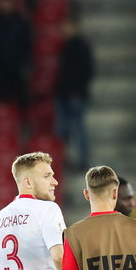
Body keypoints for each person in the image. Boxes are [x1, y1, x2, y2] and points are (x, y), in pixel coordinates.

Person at [55, 17, 94, 169]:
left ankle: (83, 161)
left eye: (68, 26)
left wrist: (78, 91)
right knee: (62, 130)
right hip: (63, 94)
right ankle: (64, 160)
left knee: (78, 129)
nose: (65, 30)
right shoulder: (65, 46)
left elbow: (87, 71)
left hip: (76, 95)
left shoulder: (81, 46)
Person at [0, 0, 32, 105]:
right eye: (3, 1)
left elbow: (26, 45)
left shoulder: (21, 22)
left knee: (20, 98)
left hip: (17, 65)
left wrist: (26, 64)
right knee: (1, 99)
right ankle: (2, 122)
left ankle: (21, 121)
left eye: (8, 1)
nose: (5, 4)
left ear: (13, 3)